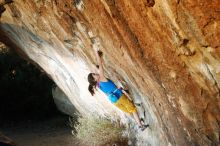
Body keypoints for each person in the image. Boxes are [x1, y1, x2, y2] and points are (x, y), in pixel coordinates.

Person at [87, 46, 149, 131]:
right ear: (94, 79)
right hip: (119, 97)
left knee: (129, 110)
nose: (96, 73)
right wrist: (96, 52)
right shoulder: (101, 78)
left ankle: (138, 121)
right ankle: (140, 125)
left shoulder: (97, 85)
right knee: (133, 109)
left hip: (114, 101)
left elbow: (107, 88)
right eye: (94, 74)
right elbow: (100, 64)